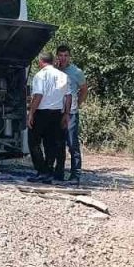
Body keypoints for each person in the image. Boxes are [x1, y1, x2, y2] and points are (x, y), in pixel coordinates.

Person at [26, 51, 70, 184]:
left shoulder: (40, 76)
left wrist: (31, 113)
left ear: (41, 61)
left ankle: (41, 171)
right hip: (57, 113)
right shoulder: (63, 75)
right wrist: (66, 114)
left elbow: (38, 96)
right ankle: (49, 170)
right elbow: (68, 96)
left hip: (41, 112)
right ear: (53, 61)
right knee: (50, 143)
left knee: (33, 142)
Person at [55, 45, 88, 183]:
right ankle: (59, 173)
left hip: (71, 113)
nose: (63, 58)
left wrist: (77, 104)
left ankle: (75, 175)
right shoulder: (54, 70)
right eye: (60, 55)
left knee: (72, 143)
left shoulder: (76, 72)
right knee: (58, 143)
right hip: (56, 111)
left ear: (70, 57)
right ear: (57, 56)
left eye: (66, 55)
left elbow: (84, 90)